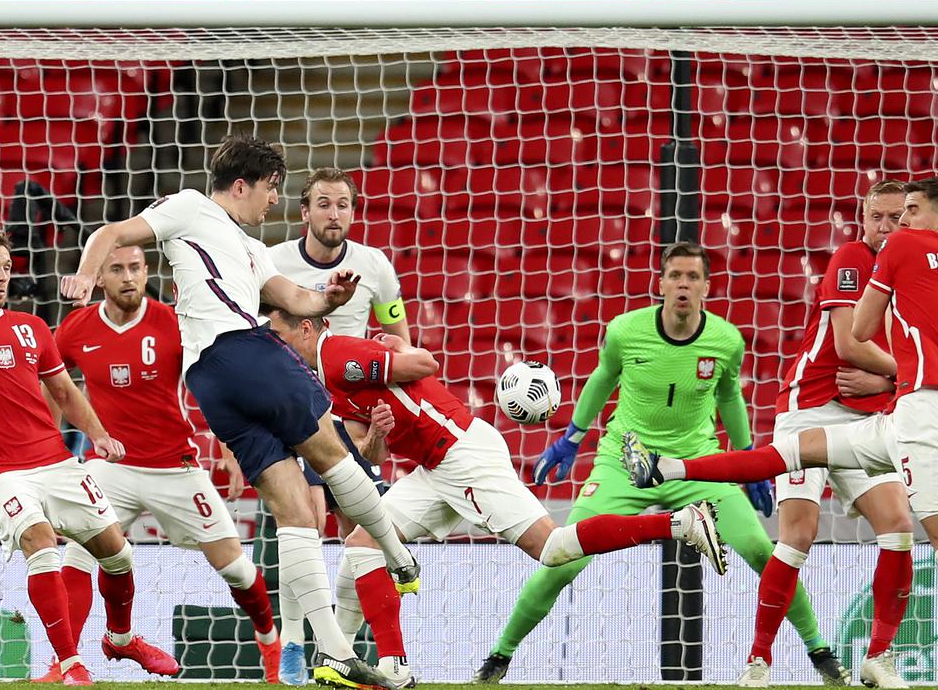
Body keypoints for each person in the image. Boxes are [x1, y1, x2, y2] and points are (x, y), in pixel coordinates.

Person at [624, 177, 938, 676]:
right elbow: (881, 345)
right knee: (799, 469)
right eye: (883, 216)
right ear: (863, 216)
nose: (895, 224)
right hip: (842, 405)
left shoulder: (905, 248)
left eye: (906, 212)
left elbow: (860, 335)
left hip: (911, 411)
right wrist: (891, 367)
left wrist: (883, 368)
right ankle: (668, 471)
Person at [58, 135, 415, 690]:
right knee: (332, 450)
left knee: (295, 509)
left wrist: (333, 300)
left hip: (211, 381)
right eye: (272, 189)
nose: (274, 202)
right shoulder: (190, 207)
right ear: (243, 185)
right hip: (242, 349)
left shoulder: (248, 248)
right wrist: (85, 272)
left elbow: (297, 301)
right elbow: (111, 233)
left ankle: (336, 653)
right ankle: (396, 552)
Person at [268, 308, 728, 689]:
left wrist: (405, 349)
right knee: (362, 546)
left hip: (462, 456)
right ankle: (364, 663)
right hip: (433, 467)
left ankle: (679, 523)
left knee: (552, 548)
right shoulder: (322, 381)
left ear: (304, 327)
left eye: (278, 333)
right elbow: (373, 449)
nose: (274, 343)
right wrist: (377, 438)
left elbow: (425, 366)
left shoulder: (339, 356)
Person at [475, 242, 849, 686]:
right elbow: (602, 376)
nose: (683, 285)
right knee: (564, 559)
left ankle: (822, 654)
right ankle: (498, 659)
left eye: (692, 277)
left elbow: (730, 395)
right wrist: (572, 437)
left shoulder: (726, 340)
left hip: (698, 464)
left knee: (760, 551)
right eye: (675, 276)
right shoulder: (625, 331)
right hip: (627, 458)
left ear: (707, 287)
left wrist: (748, 462)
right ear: (661, 284)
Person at [0, 230, 178, 686]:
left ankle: (120, 639)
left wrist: (98, 435)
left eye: (6, 267)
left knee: (119, 556)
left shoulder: (32, 326)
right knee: (41, 546)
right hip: (2, 472)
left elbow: (64, 390)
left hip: (56, 462)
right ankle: (68, 663)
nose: (2, 276)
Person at [30, 245, 279, 682]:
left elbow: (213, 383)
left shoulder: (172, 324)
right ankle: (66, 662)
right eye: (117, 269)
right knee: (78, 555)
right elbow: (54, 386)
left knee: (237, 569)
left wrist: (225, 446)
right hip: (110, 464)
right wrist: (50, 447)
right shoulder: (76, 328)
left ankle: (271, 648)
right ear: (100, 278)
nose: (128, 277)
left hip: (175, 465)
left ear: (147, 273)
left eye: (135, 268)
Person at [737, 180, 913, 688]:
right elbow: (848, 344)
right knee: (798, 533)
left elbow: (898, 362)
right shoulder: (852, 260)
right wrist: (901, 373)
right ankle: (758, 662)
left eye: (895, 217)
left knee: (899, 525)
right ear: (863, 219)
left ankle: (878, 658)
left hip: (864, 416)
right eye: (875, 216)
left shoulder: (915, 273)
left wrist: (887, 379)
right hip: (810, 408)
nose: (884, 227)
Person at [265, 168, 410, 685]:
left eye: (343, 204)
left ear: (353, 211)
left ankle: (359, 651)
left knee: (362, 534)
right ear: (304, 212)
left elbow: (398, 340)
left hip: (351, 417)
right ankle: (294, 647)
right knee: (301, 520)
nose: (334, 214)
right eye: (323, 204)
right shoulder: (274, 264)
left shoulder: (374, 266)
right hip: (291, 412)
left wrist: (389, 413)